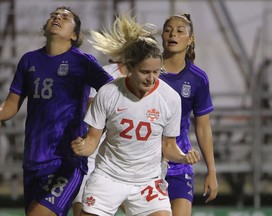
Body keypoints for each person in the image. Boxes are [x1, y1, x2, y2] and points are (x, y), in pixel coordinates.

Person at [71, 14, 201, 216]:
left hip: (147, 182)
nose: (151, 79)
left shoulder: (170, 98)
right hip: (108, 178)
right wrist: (82, 147)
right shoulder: (108, 93)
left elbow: (168, 147)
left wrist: (184, 158)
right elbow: (92, 141)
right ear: (129, 68)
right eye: (145, 72)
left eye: (156, 72)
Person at [0, 6, 113, 216]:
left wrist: (92, 132)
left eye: (65, 17)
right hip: (33, 160)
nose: (57, 17)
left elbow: (113, 95)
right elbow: (10, 106)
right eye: (54, 15)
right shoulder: (29, 60)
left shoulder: (83, 61)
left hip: (66, 160)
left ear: (74, 35)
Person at [159, 14, 219, 216]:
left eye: (179, 30)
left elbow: (203, 127)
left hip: (179, 161)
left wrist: (211, 171)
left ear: (190, 39)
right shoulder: (147, 71)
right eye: (168, 29)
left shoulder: (198, 78)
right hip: (145, 160)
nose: (173, 34)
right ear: (162, 36)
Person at [72, 62, 124, 216]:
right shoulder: (106, 73)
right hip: (94, 152)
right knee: (83, 203)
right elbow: (90, 108)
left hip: (127, 158)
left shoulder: (154, 77)